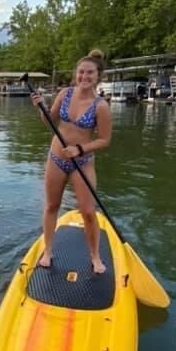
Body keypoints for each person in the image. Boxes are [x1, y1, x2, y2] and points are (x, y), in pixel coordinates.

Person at [30, 49, 112, 274]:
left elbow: (105, 140)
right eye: (81, 72)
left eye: (90, 73)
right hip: (56, 158)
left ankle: (95, 257)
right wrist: (41, 107)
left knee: (88, 211)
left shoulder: (101, 106)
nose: (84, 76)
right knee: (51, 206)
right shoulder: (65, 93)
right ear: (76, 73)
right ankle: (48, 251)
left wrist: (80, 149)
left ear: (98, 76)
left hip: (82, 162)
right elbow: (50, 122)